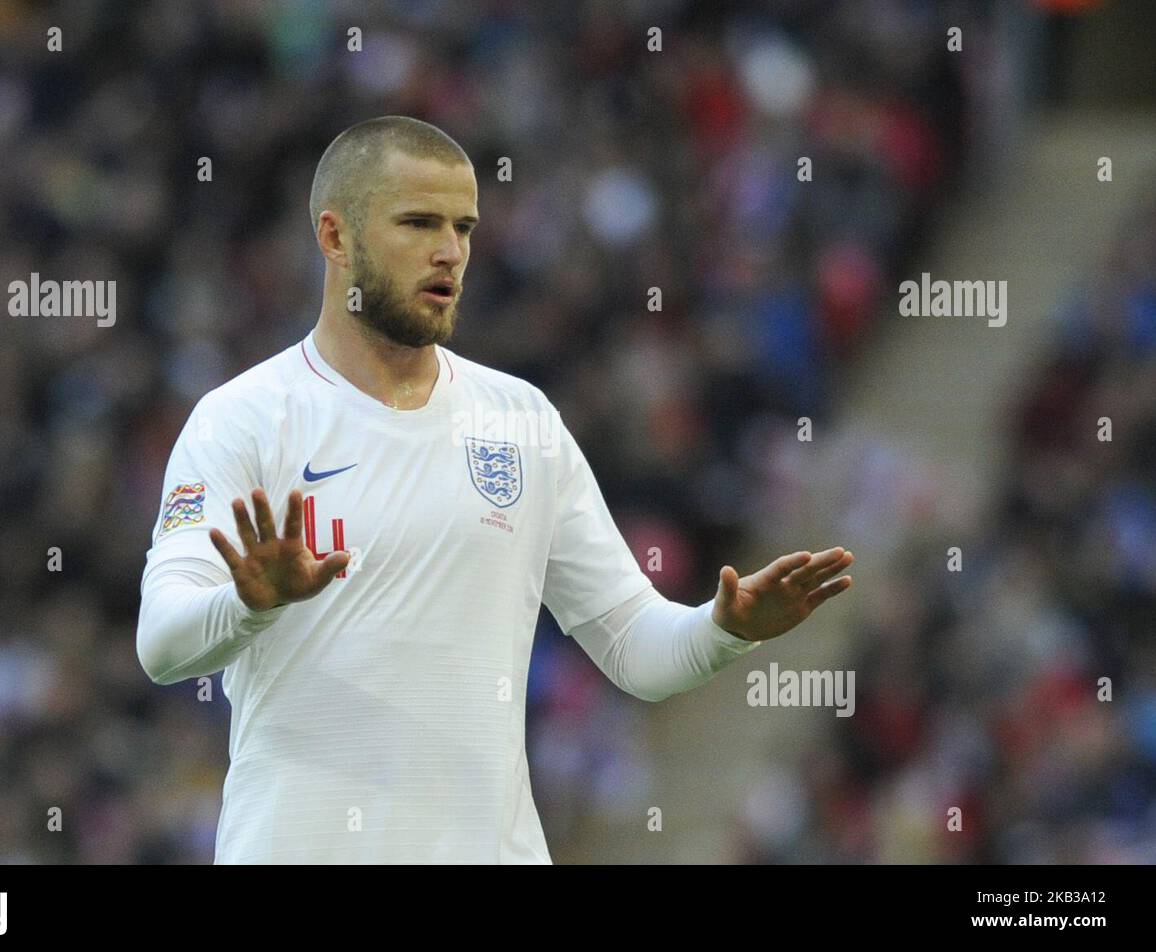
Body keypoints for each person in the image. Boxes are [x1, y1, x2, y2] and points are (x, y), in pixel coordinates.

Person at [135, 115, 854, 864]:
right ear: (335, 236)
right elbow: (161, 643)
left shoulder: (522, 421)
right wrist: (249, 603)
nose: (450, 251)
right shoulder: (242, 421)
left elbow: (634, 644)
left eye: (464, 227)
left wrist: (723, 628)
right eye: (418, 222)